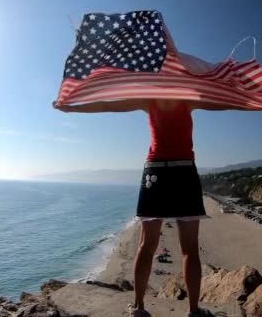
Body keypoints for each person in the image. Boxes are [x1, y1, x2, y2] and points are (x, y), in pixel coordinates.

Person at [55, 98, 232, 317]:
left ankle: (138, 307)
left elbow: (107, 105)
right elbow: (226, 102)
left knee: (146, 245)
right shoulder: (187, 100)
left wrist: (72, 107)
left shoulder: (149, 100)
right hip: (184, 173)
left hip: (155, 173)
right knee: (189, 249)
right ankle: (194, 311)